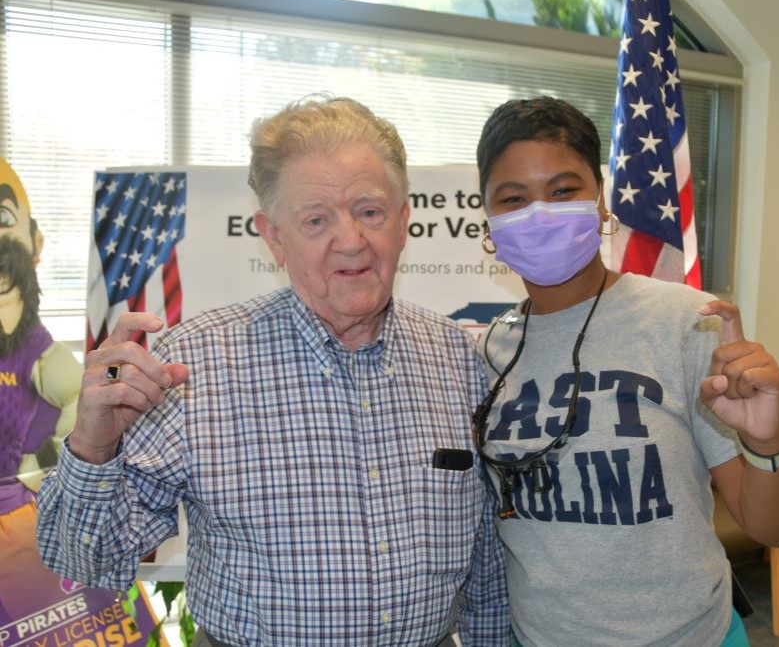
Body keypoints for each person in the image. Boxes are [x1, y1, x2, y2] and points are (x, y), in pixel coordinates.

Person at [37, 96, 510, 646]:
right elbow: (86, 560)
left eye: (370, 211)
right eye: (316, 219)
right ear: (274, 237)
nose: (351, 239)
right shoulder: (197, 365)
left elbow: (488, 571)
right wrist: (92, 449)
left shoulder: (461, 361)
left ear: (403, 222)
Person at [472, 96, 779, 646]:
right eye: (514, 199)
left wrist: (769, 439)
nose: (540, 214)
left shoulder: (686, 322)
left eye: (563, 191)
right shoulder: (490, 349)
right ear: (489, 219)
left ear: (602, 201)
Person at [1, 158, 81, 623]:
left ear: (35, 243)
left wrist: (42, 459)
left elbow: (83, 398)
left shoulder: (36, 353)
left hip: (15, 527)